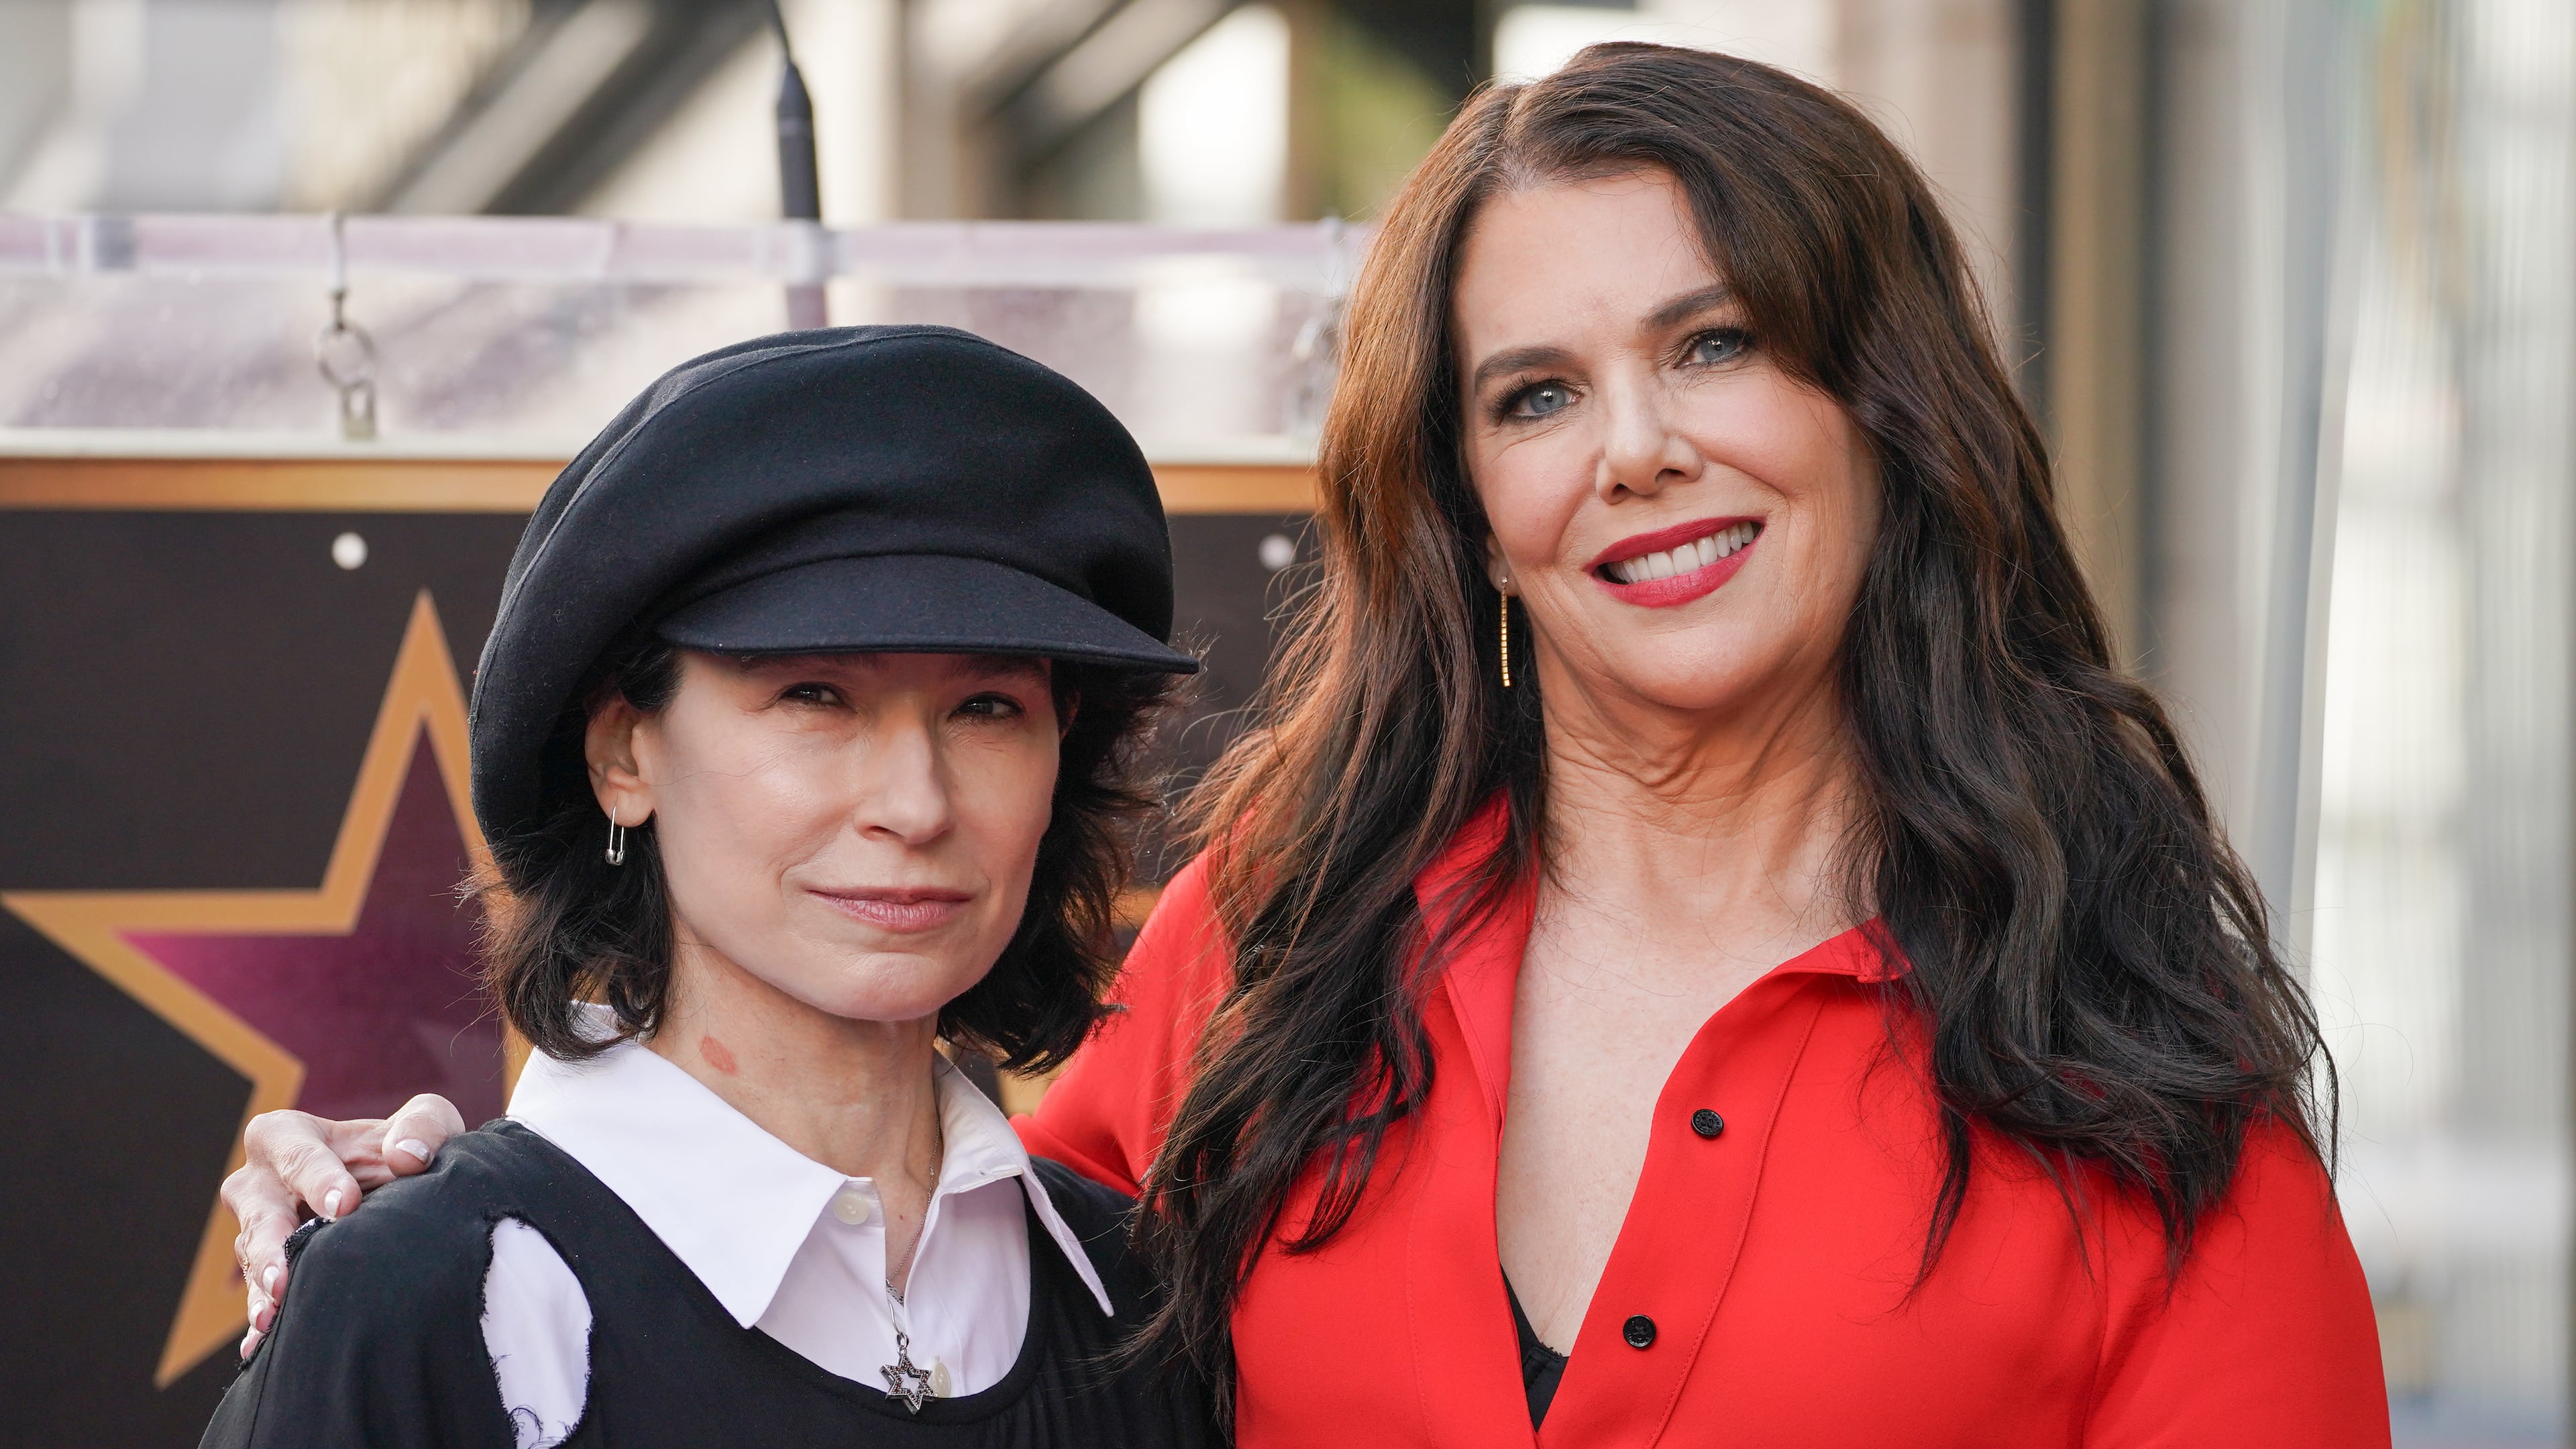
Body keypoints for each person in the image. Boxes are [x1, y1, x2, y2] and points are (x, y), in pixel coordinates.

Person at [222, 46, 2390, 1446]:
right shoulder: (1283, 943)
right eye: (1533, 395)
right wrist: (437, 1226)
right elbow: (894, 1300)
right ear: (1462, 502)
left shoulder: (2140, 1098)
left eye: (1715, 345)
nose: (1634, 450)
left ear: (1880, 414)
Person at [203, 325, 1215, 1449]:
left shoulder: (1152, 1300)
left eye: (987, 708)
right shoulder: (424, 1307)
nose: (918, 804)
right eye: (816, 695)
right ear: (623, 754)